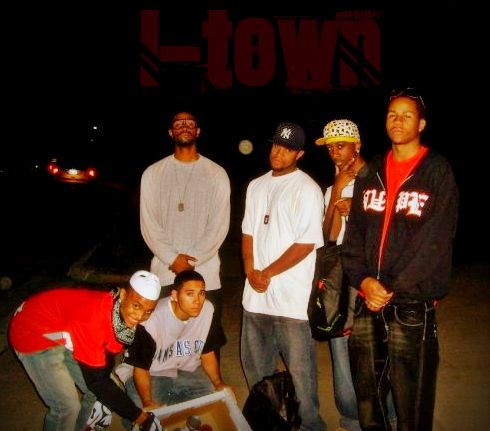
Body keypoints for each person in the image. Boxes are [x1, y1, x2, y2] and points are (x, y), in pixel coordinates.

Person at [341, 88, 459, 430]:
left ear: (421, 124)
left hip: (411, 302)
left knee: (412, 399)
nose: (398, 121)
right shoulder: (372, 171)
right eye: (392, 114)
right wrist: (364, 280)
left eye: (407, 115)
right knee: (368, 396)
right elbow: (354, 234)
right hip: (368, 299)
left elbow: (435, 241)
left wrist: (390, 286)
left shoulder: (436, 171)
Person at [240, 121, 327, 431]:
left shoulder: (307, 189)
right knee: (258, 377)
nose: (278, 152)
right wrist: (250, 271)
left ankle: (311, 427)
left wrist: (266, 273)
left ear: (299, 154)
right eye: (276, 145)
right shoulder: (256, 185)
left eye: (287, 148)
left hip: (291, 303)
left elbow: (306, 243)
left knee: (302, 383)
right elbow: (248, 233)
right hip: (255, 300)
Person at [315, 119, 396, 431]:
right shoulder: (331, 188)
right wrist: (337, 189)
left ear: (357, 145)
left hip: (375, 275)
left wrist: (359, 207)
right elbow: (329, 236)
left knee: (378, 349)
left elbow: (393, 228)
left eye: (341, 145)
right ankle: (351, 416)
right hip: (343, 276)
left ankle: (388, 414)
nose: (335, 152)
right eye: (330, 147)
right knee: (341, 346)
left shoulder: (380, 178)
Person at [8, 270, 164, 431]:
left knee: (103, 391)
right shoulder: (92, 322)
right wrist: (139, 417)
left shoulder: (116, 306)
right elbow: (97, 382)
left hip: (58, 325)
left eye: (148, 311)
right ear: (123, 295)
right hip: (30, 333)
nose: (140, 316)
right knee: (67, 407)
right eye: (136, 305)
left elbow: (109, 362)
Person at [139, 110, 230, 359]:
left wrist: (191, 262)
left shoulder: (216, 173)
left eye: (190, 123)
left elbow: (219, 225)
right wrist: (173, 259)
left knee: (205, 344)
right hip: (165, 272)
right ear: (171, 132)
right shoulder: (153, 173)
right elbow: (149, 223)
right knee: (163, 343)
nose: (184, 126)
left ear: (198, 131)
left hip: (205, 274)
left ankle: (207, 384)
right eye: (178, 123)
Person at [116, 269, 228, 429]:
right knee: (142, 414)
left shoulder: (207, 310)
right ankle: (159, 411)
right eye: (190, 294)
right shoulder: (151, 318)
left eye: (201, 293)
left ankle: (172, 411)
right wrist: (147, 402)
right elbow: (141, 368)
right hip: (152, 373)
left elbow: (207, 352)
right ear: (175, 295)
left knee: (212, 396)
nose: (197, 301)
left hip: (186, 369)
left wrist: (218, 383)